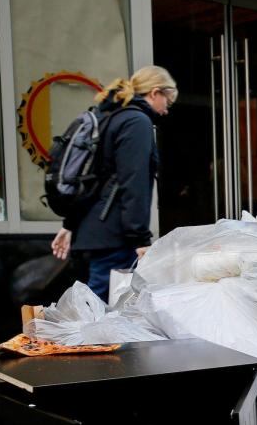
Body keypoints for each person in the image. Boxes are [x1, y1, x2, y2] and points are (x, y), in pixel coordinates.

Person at [51, 65, 178, 302]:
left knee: (96, 308)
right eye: (167, 102)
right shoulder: (136, 122)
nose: (166, 111)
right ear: (154, 92)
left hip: (94, 233)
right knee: (99, 312)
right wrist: (140, 239)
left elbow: (94, 180)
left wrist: (70, 223)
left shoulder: (109, 117)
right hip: (114, 235)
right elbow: (133, 182)